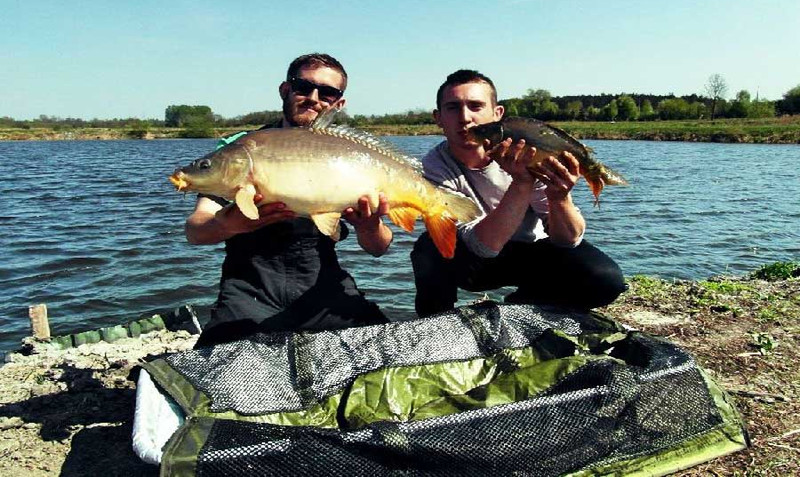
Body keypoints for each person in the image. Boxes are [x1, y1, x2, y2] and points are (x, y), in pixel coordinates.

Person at [186, 53, 391, 347]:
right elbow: (195, 230)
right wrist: (228, 224)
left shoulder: (351, 155)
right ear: (285, 90)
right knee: (218, 368)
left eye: (328, 92)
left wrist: (369, 227)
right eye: (303, 87)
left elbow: (379, 248)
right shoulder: (240, 149)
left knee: (384, 351)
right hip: (251, 289)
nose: (314, 98)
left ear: (339, 104)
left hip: (322, 288)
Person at [411, 69, 626, 317]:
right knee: (428, 247)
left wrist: (560, 197)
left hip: (532, 254)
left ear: (497, 114)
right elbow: (484, 247)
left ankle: (522, 306)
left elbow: (569, 240)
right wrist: (521, 183)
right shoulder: (433, 166)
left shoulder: (527, 152)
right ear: (438, 117)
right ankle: (436, 324)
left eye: (476, 106)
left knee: (606, 280)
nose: (465, 118)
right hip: (473, 261)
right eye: (453, 107)